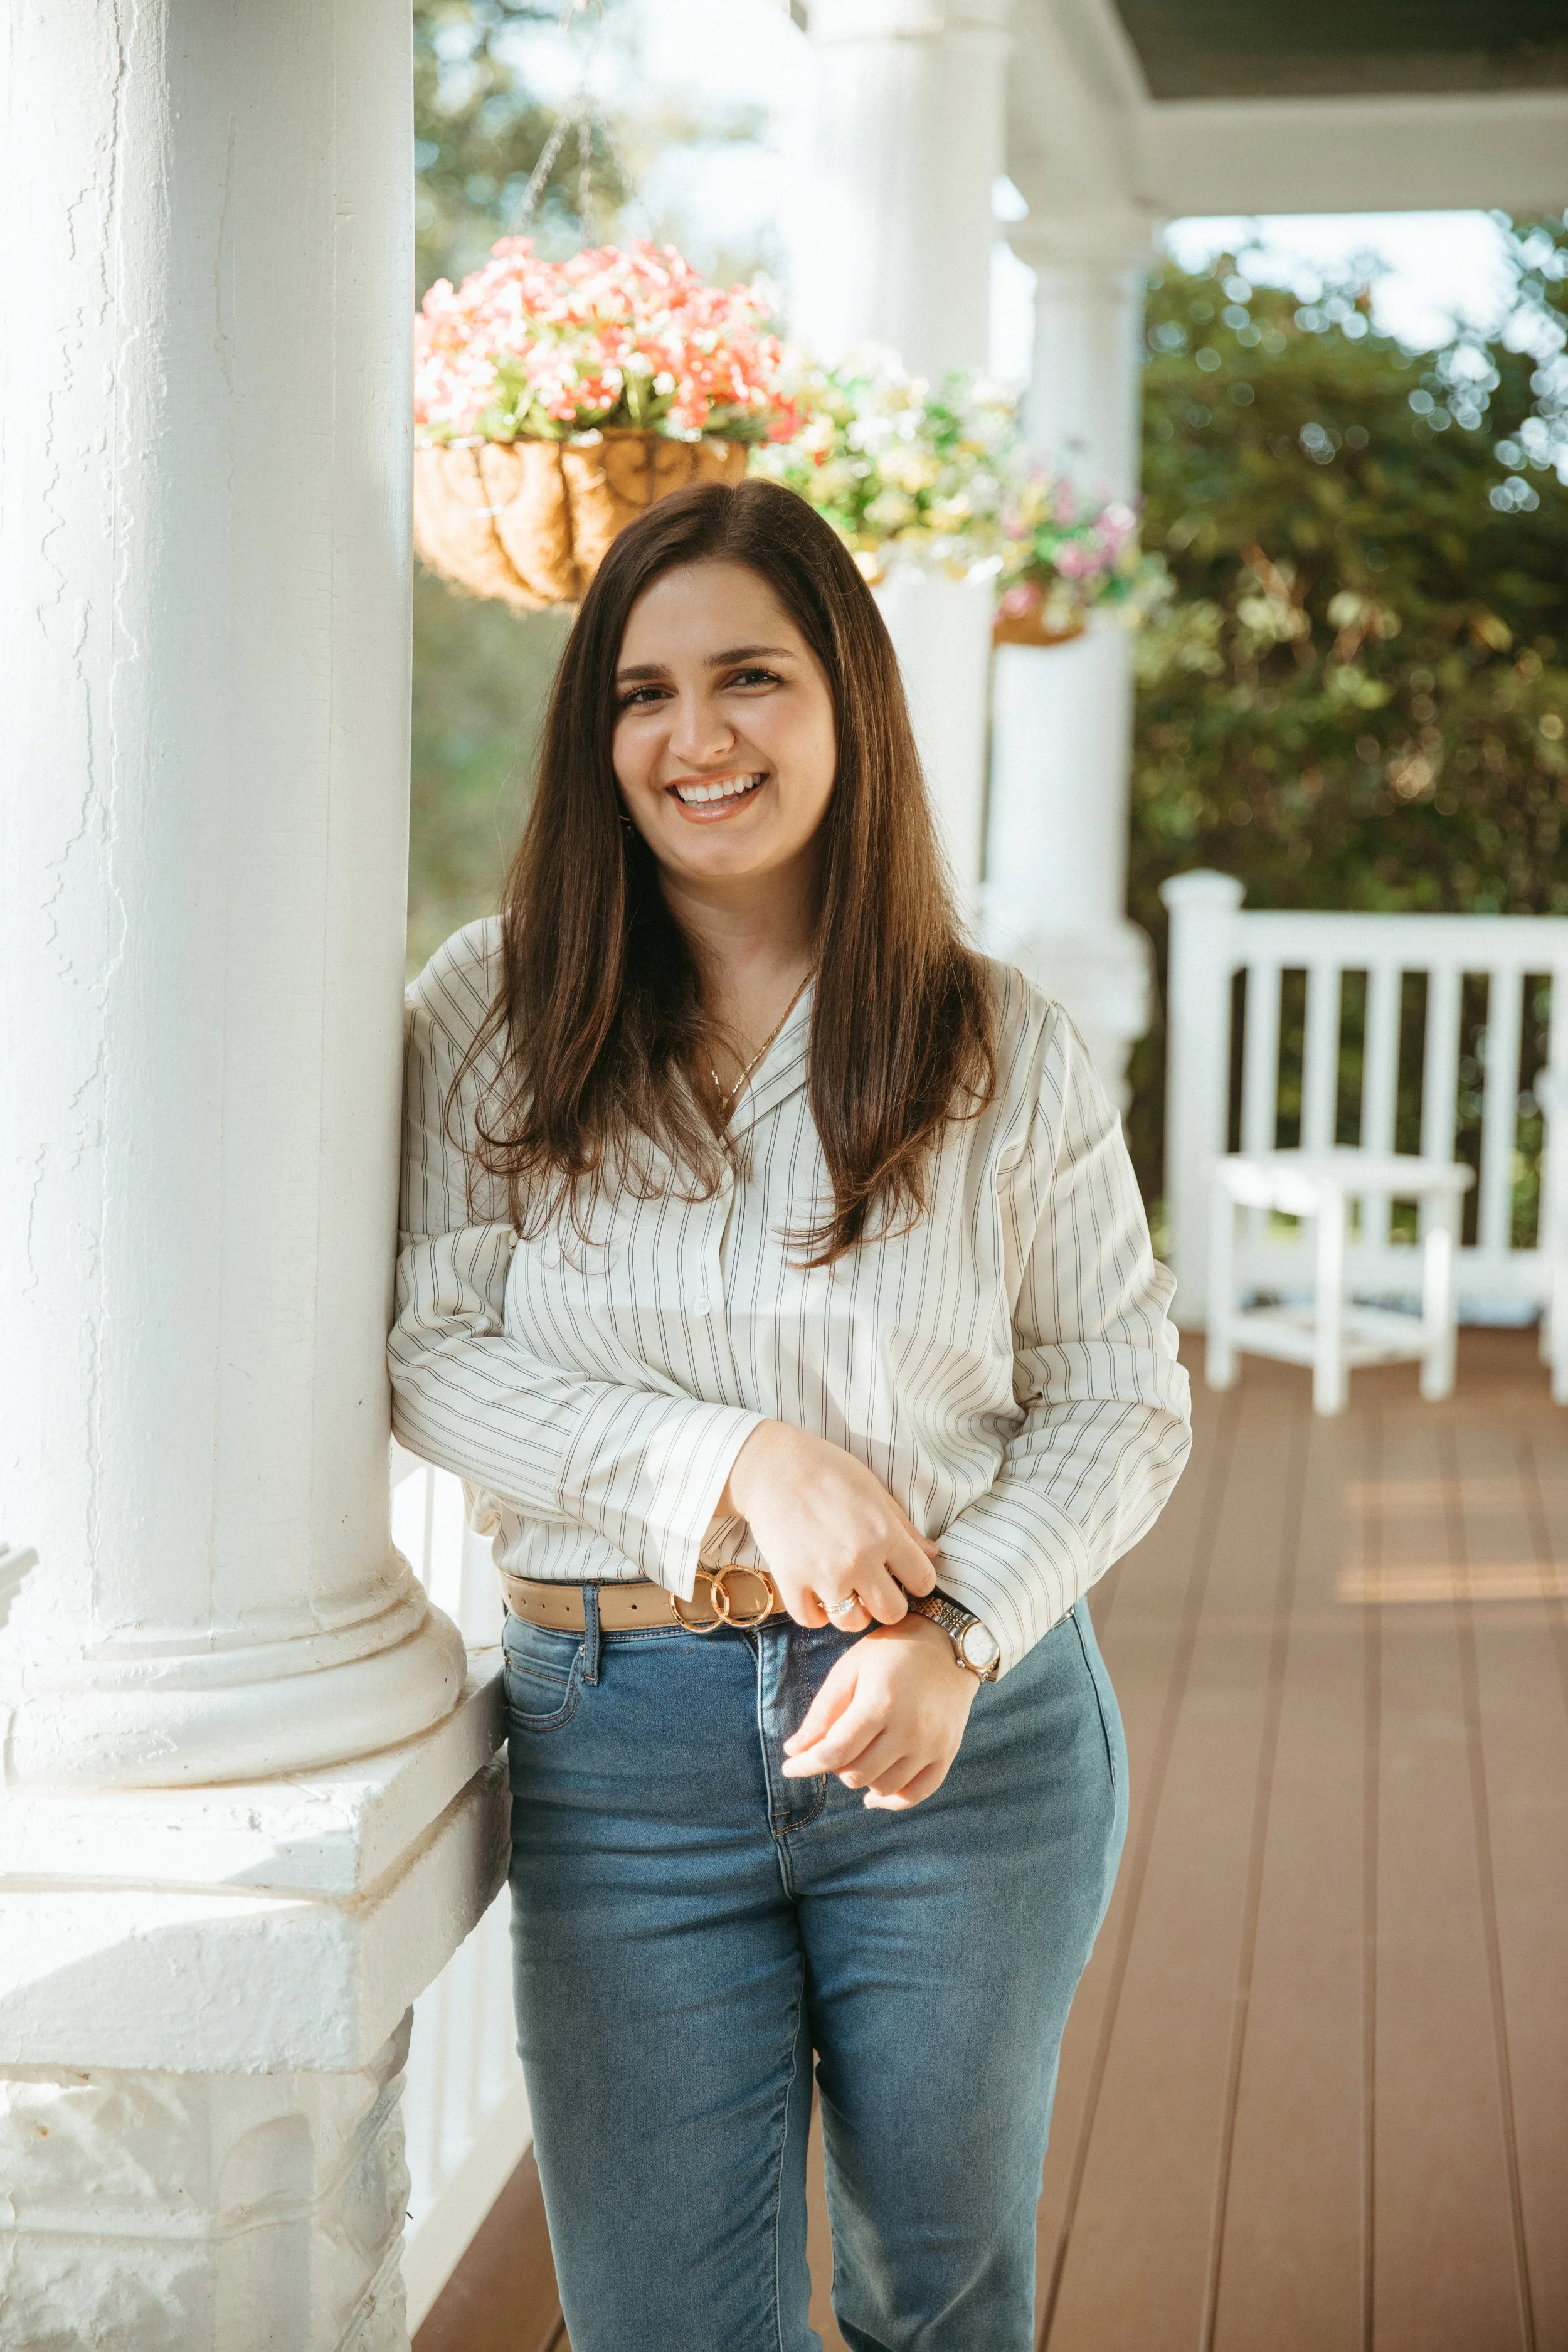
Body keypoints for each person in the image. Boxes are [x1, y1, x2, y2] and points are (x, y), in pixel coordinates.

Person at [389, 477, 1191, 2352]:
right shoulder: (492, 1011)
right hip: (622, 1748)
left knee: (943, 2296)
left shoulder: (1000, 1043)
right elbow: (425, 1351)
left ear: (849, 701)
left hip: (960, 1750)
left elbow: (1120, 1393)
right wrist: (739, 1459)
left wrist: (955, 1626)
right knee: (666, 2319)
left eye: (748, 675)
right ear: (597, 736)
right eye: (640, 692)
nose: (696, 736)